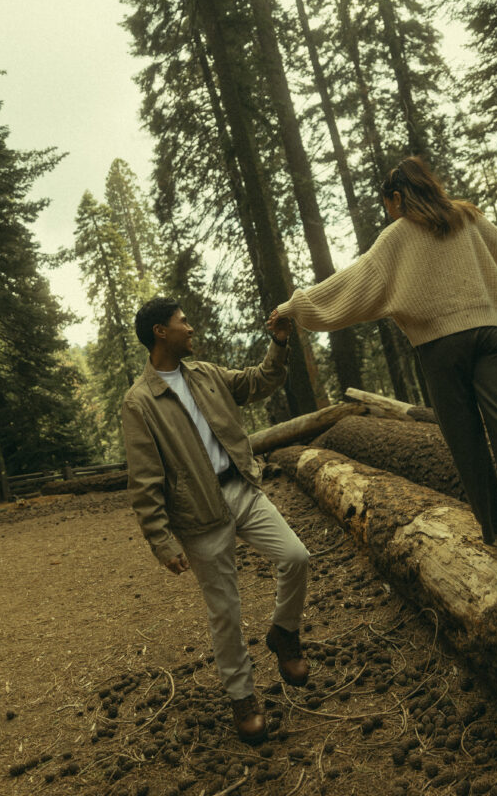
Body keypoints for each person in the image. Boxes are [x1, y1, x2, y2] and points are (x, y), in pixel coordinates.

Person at [269, 157, 497, 563]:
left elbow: (351, 283)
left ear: (397, 197)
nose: (389, 211)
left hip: (440, 349)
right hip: (488, 336)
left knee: (465, 440)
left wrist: (294, 306)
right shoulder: (468, 219)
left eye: (388, 202)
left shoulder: (396, 238)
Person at [122, 296, 310, 745]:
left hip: (242, 490)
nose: (190, 328)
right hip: (198, 515)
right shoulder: (140, 402)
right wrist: (162, 541)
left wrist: (279, 342)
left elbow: (260, 381)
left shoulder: (205, 374)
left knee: (296, 556)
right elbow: (144, 479)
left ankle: (284, 635)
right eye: (181, 322)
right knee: (225, 611)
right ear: (160, 333)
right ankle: (242, 697)